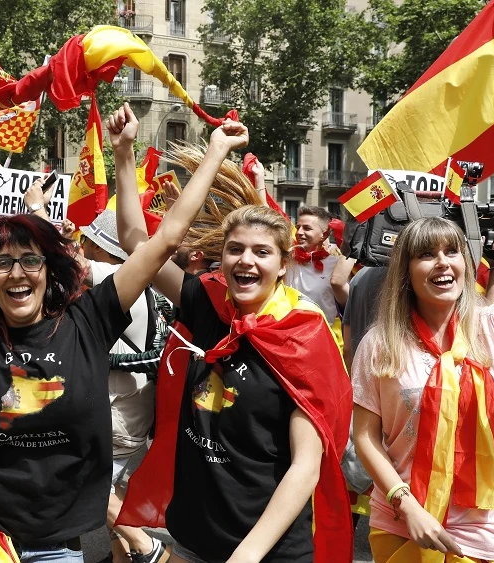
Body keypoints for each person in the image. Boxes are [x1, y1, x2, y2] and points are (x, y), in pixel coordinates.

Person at [0, 114, 246, 562]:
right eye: (2, 263)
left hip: (56, 547)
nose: (17, 273)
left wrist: (213, 152)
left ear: (49, 272)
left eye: (30, 261)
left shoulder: (90, 318)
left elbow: (164, 239)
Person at [110, 103, 351, 563]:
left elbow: (306, 464)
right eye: (235, 249)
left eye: (262, 252)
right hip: (193, 537)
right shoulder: (207, 301)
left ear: (284, 265)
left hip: (268, 551)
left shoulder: (302, 334)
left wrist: (248, 555)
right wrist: (124, 155)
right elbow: (136, 244)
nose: (246, 260)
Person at [351, 219, 494, 563]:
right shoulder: (380, 343)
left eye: (452, 251)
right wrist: (407, 505)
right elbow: (365, 436)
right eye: (426, 254)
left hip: (493, 534)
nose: (442, 262)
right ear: (405, 270)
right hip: (404, 523)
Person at [74, 209, 167, 563]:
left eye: (86, 240)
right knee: (117, 496)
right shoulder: (141, 283)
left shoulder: (115, 276)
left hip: (115, 420)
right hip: (129, 415)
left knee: (85, 483)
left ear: (97, 246)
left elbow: (72, 269)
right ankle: (122, 556)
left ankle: (148, 548)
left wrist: (37, 210)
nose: (81, 246)